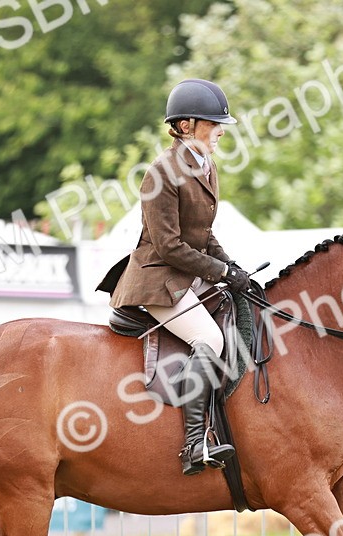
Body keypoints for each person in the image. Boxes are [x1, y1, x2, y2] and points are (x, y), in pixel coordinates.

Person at [109, 78, 252, 476]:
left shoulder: (205, 166)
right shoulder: (161, 173)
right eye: (214, 123)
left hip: (185, 275)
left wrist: (233, 268)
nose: (222, 130)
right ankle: (193, 444)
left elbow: (203, 236)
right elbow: (169, 246)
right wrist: (221, 271)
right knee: (209, 337)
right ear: (187, 125)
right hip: (157, 279)